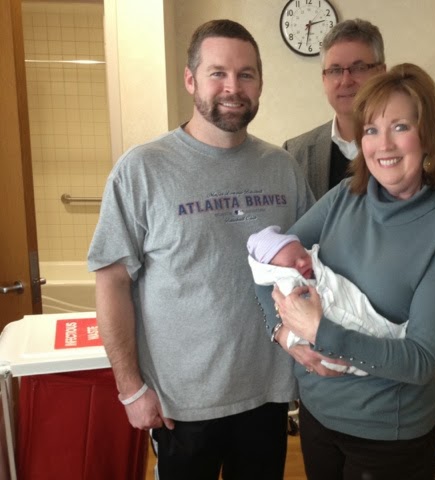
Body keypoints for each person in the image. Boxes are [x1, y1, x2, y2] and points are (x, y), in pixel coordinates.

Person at [87, 19, 314, 480]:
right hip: (182, 405)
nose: (233, 87)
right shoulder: (142, 169)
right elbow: (111, 282)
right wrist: (131, 390)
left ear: (260, 84)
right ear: (190, 80)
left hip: (268, 393)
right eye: (218, 73)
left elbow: (310, 267)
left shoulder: (283, 168)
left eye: (246, 74)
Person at [257, 63, 435, 480]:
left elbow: (420, 361)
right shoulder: (344, 197)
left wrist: (320, 332)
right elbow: (266, 263)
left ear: (428, 135)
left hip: (388, 436)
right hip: (317, 415)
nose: (383, 144)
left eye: (400, 127)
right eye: (372, 130)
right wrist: (284, 334)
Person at [283, 18, 435, 204]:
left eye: (358, 68)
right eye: (335, 70)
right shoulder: (295, 152)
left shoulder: (423, 140)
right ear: (323, 79)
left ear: (382, 72)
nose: (346, 81)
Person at [247, 225, 408, 376]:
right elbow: (293, 319)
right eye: (292, 264)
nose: (302, 262)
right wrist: (284, 334)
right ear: (277, 272)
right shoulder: (287, 287)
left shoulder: (315, 265)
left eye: (303, 255)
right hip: (333, 350)